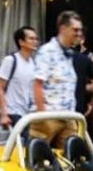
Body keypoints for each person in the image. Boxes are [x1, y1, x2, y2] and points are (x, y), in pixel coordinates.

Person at [29, 10, 81, 148]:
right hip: (49, 116)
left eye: (80, 30)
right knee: (39, 159)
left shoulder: (68, 54)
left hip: (68, 117)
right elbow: (37, 83)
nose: (79, 33)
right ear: (63, 29)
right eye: (75, 30)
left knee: (71, 159)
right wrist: (42, 115)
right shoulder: (47, 51)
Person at [0, 26, 38, 129]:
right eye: (31, 38)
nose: (35, 41)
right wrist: (4, 115)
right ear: (21, 42)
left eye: (36, 39)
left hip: (28, 114)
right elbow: (0, 88)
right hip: (13, 113)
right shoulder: (10, 60)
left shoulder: (33, 63)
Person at [73, 29, 93, 135]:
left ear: (83, 40)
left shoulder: (89, 57)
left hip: (83, 100)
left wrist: (86, 90)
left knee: (84, 131)